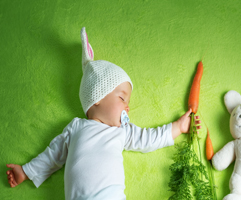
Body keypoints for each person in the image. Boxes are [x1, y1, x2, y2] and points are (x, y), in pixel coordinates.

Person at [6, 27, 201, 200]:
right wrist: (26, 171)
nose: (127, 108)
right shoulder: (76, 127)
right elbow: (53, 155)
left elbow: (147, 139)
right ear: (97, 97)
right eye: (123, 99)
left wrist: (177, 128)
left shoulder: (122, 131)